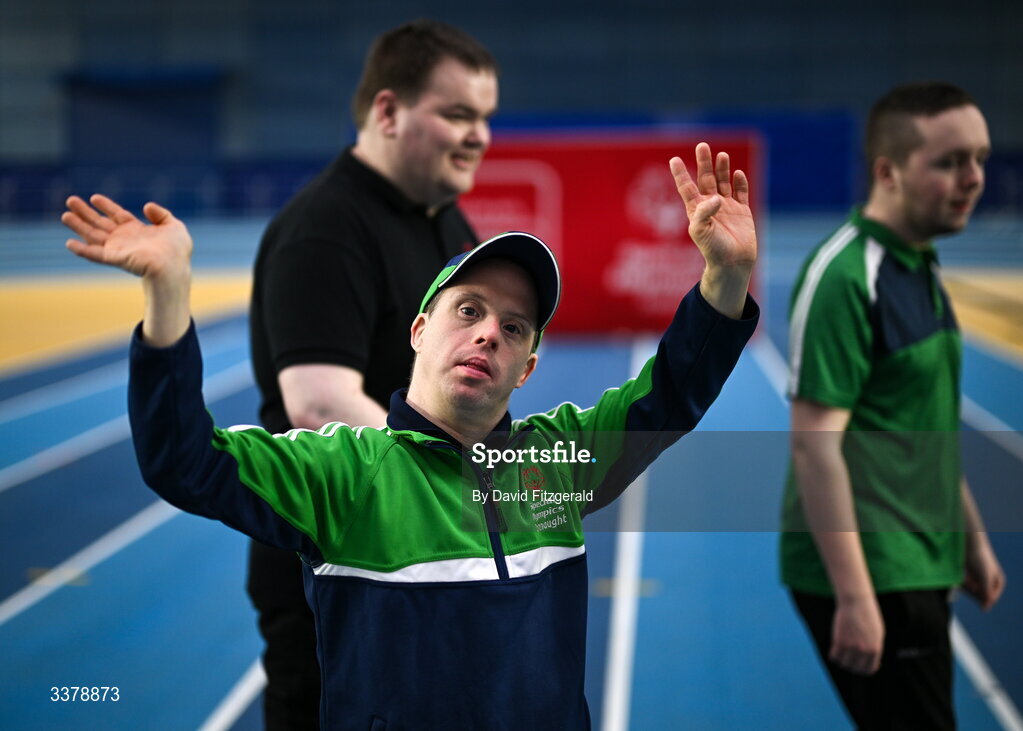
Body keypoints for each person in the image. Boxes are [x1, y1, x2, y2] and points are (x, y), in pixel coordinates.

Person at [63, 142, 756, 729]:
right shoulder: (342, 472)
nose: (489, 331)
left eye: (513, 328)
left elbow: (669, 392)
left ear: (526, 369)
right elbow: (182, 459)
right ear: (420, 331)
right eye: (469, 309)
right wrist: (167, 295)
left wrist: (723, 277)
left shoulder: (558, 461)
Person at [247, 19, 496, 727]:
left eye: (484, 117)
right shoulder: (325, 228)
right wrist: (457, 478)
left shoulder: (444, 219)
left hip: (417, 544)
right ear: (387, 111)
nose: (479, 134)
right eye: (457, 114)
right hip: (333, 565)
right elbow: (319, 404)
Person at [780, 82, 1006, 729]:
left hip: (920, 551)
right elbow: (813, 446)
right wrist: (854, 597)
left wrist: (970, 537)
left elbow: (921, 423)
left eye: (980, 158)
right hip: (875, 566)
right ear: (887, 171)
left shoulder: (918, 262)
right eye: (948, 161)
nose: (972, 179)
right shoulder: (846, 276)